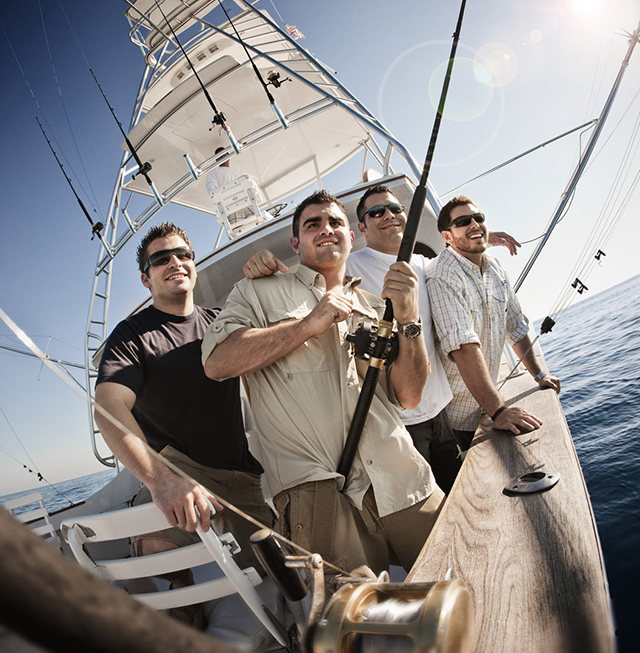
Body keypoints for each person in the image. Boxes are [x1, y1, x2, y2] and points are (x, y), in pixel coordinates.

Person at [202, 190, 444, 579]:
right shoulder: (256, 291)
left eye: (334, 222)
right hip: (316, 497)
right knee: (359, 630)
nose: (325, 229)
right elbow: (218, 363)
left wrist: (410, 320)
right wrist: (305, 325)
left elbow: (408, 395)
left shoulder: (372, 302)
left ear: (352, 235)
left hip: (403, 478)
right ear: (296, 243)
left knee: (459, 583)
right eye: (312, 224)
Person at [242, 183, 521, 493]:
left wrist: (482, 240)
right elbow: (312, 277)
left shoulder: (427, 266)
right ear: (361, 227)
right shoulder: (350, 265)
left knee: (461, 495)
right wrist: (264, 263)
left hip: (441, 408)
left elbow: (456, 256)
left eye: (395, 208)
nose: (388, 215)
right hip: (397, 420)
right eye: (376, 212)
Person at [94, 222, 275, 632]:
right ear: (147, 278)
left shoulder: (221, 322)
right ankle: (184, 607)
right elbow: (108, 405)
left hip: (240, 476)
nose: (175, 262)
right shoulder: (131, 336)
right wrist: (160, 481)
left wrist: (268, 274)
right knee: (159, 547)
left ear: (193, 265)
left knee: (275, 566)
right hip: (178, 470)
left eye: (183, 255)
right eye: (161, 259)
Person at [426, 195, 561, 450]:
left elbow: (517, 327)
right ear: (447, 236)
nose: (474, 224)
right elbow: (463, 348)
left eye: (479, 218)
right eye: (464, 221)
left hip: (488, 405)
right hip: (456, 420)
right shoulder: (442, 276)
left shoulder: (495, 267)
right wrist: (499, 412)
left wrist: (540, 375)